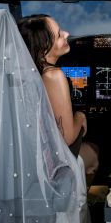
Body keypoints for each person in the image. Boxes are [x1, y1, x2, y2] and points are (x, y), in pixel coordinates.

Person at [17, 14, 99, 184]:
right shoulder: (53, 75)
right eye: (60, 35)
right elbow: (67, 137)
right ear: (44, 47)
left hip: (28, 160)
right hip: (52, 164)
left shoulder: (26, 73)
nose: (67, 34)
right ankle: (77, 200)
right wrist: (80, 116)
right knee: (95, 150)